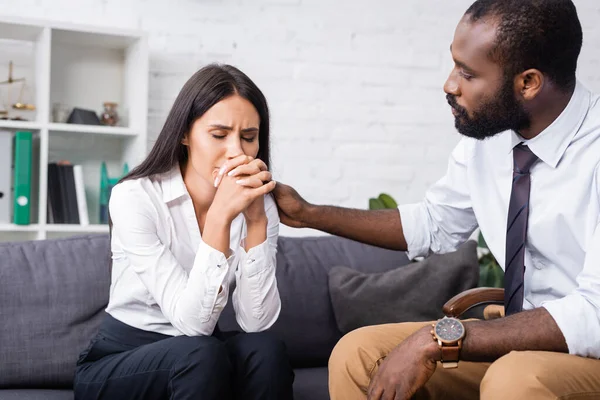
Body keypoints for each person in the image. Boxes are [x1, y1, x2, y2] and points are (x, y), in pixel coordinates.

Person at [214, 0, 600, 399]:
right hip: (521, 342)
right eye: (455, 65)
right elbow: (434, 223)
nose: (450, 85)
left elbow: (593, 315)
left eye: (468, 74)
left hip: (588, 353)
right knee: (360, 355)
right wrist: (308, 213)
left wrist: (435, 338)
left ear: (528, 83)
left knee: (517, 379)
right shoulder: (493, 141)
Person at [74, 64, 294, 400]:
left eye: (249, 137)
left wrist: (257, 222)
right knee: (200, 353)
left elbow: (256, 323)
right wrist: (220, 217)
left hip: (202, 353)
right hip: (121, 356)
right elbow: (193, 325)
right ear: (185, 134)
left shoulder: (258, 206)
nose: (237, 151)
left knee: (266, 349)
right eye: (219, 135)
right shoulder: (135, 197)